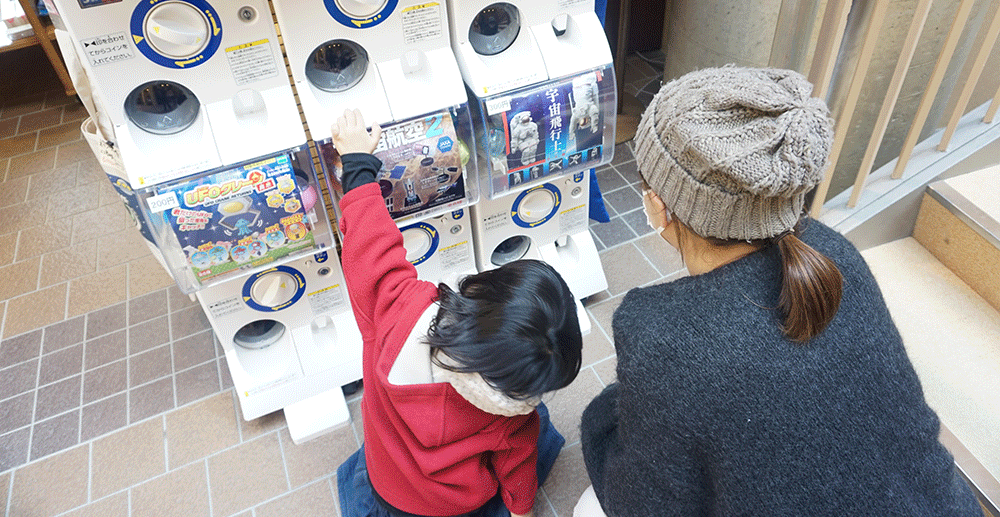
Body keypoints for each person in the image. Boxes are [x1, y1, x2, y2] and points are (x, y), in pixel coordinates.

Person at [576, 66, 983, 516]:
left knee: (588, 507)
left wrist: (605, 418)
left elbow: (644, 503)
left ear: (659, 207)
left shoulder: (663, 338)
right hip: (943, 505)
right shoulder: (833, 254)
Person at [329, 109, 583, 517]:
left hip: (392, 488)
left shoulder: (397, 310)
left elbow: (369, 242)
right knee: (539, 427)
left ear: (482, 286)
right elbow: (517, 468)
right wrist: (521, 511)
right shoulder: (512, 412)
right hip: (461, 504)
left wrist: (357, 163)